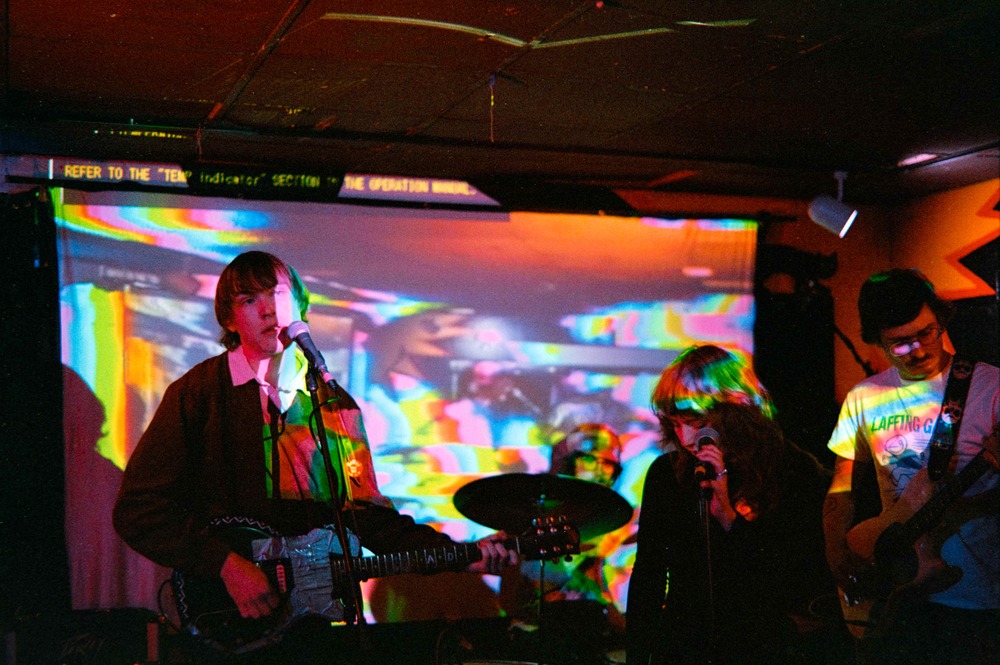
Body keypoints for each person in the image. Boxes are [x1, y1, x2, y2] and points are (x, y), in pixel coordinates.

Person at [112, 251, 517, 662]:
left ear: (300, 304)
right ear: (230, 320)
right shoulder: (199, 392)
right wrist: (225, 564)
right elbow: (139, 509)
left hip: (310, 628)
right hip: (225, 622)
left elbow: (367, 517)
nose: (269, 310)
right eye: (249, 300)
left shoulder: (333, 404)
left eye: (277, 294)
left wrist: (463, 556)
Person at [822, 268, 1000, 664]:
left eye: (926, 333)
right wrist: (837, 554)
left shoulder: (992, 389)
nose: (918, 350)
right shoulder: (864, 397)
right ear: (877, 341)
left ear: (941, 320)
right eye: (900, 343)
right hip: (895, 595)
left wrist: (968, 507)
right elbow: (842, 485)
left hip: (978, 598)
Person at [626, 344, 836, 665]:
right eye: (676, 424)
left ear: (735, 411)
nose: (685, 438)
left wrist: (727, 517)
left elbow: (791, 576)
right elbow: (648, 575)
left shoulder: (791, 470)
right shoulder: (666, 475)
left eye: (696, 423)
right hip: (684, 645)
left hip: (761, 645)